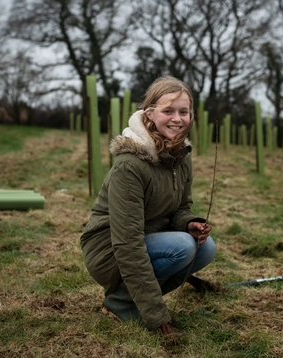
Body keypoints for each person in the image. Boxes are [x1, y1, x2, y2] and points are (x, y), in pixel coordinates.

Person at [80, 76, 216, 335]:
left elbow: (181, 207)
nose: (177, 118)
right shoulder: (130, 166)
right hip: (109, 250)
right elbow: (128, 242)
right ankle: (121, 302)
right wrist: (155, 313)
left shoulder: (180, 156)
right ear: (150, 114)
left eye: (183, 112)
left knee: (205, 248)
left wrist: (189, 223)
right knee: (183, 247)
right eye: (168, 111)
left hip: (149, 238)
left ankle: (130, 299)